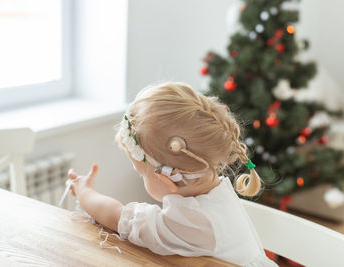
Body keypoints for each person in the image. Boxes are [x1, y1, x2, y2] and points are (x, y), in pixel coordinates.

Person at [67, 82, 278, 266]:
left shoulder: (192, 222)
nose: (142, 178)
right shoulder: (217, 191)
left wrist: (84, 192)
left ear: (167, 180)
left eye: (141, 173)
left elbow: (118, 217)